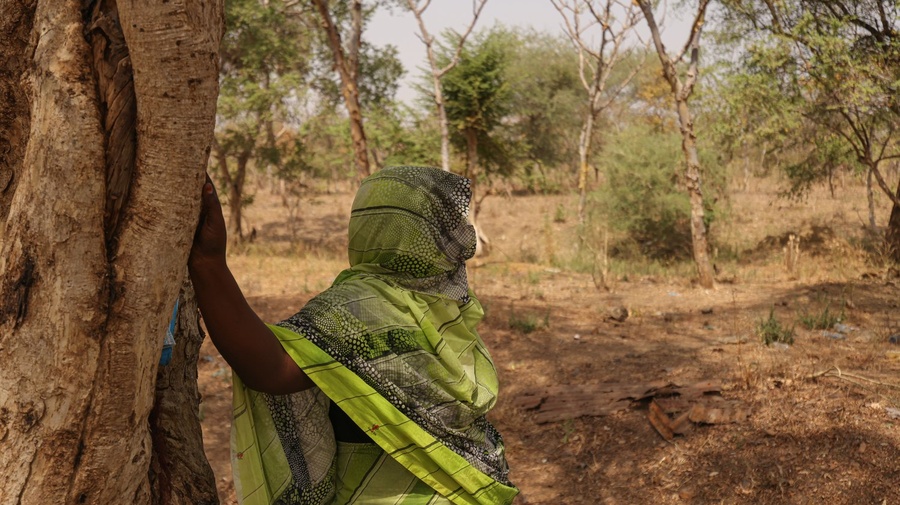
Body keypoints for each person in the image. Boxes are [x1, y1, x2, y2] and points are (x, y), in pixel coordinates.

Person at [189, 166, 518, 505]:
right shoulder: (452, 309)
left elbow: (273, 370)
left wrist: (208, 263)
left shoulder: (360, 307)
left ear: (368, 230)